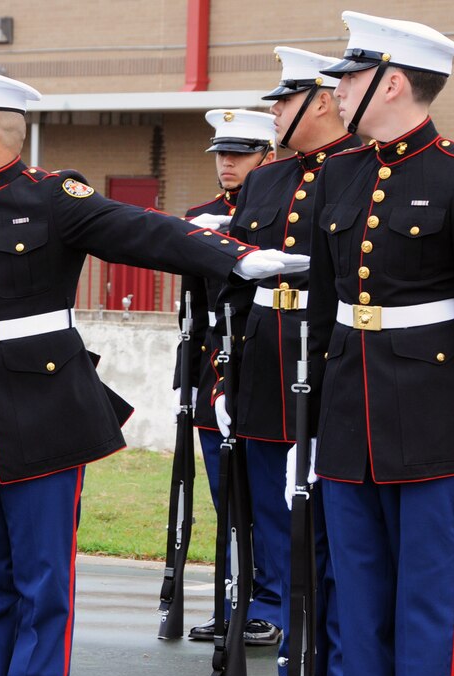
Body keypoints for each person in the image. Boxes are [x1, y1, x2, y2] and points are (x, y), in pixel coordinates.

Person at [0, 63, 309, 676]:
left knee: (39, 589)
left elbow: (144, 233)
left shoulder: (54, 197)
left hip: (44, 417)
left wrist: (240, 259)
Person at [298, 13, 454, 676]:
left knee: (427, 620)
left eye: (351, 77)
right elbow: (329, 315)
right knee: (360, 617)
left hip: (435, 434)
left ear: (391, 81)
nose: (338, 90)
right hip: (351, 427)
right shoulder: (339, 173)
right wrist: (315, 429)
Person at [216, 46, 359, 676]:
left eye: (284, 99)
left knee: (330, 539)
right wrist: (227, 375)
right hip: (268, 373)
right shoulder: (266, 184)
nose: (273, 109)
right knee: (276, 531)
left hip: (334, 372)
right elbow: (234, 286)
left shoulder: (363, 171)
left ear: (323, 101)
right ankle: (295, 671)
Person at [179, 109, 283, 647]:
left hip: (266, 364)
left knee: (271, 499)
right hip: (213, 370)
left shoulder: (282, 209)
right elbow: (195, 307)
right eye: (222, 153)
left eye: (240, 153)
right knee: (228, 499)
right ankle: (235, 598)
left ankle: (273, 604)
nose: (227, 163)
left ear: (268, 156)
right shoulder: (198, 216)